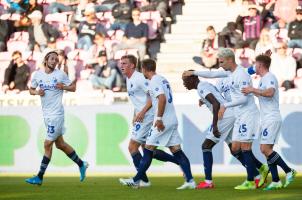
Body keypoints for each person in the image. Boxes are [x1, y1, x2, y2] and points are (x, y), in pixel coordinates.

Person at [184, 48, 268, 190]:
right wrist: (204, 100)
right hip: (233, 112)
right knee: (235, 150)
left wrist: (215, 124)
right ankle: (259, 171)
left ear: (229, 60)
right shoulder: (225, 74)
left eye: (221, 61)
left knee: (206, 146)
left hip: (232, 113)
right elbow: (213, 85)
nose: (219, 65)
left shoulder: (239, 73)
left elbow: (218, 102)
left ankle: (209, 181)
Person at [119, 59, 195, 189]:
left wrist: (158, 118)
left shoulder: (153, 81)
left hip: (162, 121)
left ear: (143, 69)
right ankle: (190, 181)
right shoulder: (162, 79)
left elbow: (162, 98)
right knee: (176, 150)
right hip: (171, 119)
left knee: (148, 149)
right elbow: (155, 97)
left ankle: (137, 180)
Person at [25, 51, 88, 185]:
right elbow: (31, 90)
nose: (54, 61)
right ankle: (81, 164)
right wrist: (37, 92)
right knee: (60, 144)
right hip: (47, 115)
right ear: (46, 60)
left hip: (56, 115)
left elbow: (73, 88)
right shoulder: (38, 75)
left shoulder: (60, 74)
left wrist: (64, 87)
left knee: (47, 144)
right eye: (52, 58)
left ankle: (39, 177)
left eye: (56, 60)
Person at [242, 54, 297, 190]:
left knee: (264, 149)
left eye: (255, 64)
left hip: (271, 118)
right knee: (267, 150)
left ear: (260, 65)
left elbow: (270, 92)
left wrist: (253, 89)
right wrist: (250, 91)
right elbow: (262, 94)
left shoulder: (270, 77)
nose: (254, 67)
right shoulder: (262, 79)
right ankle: (276, 180)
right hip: (266, 118)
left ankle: (289, 171)